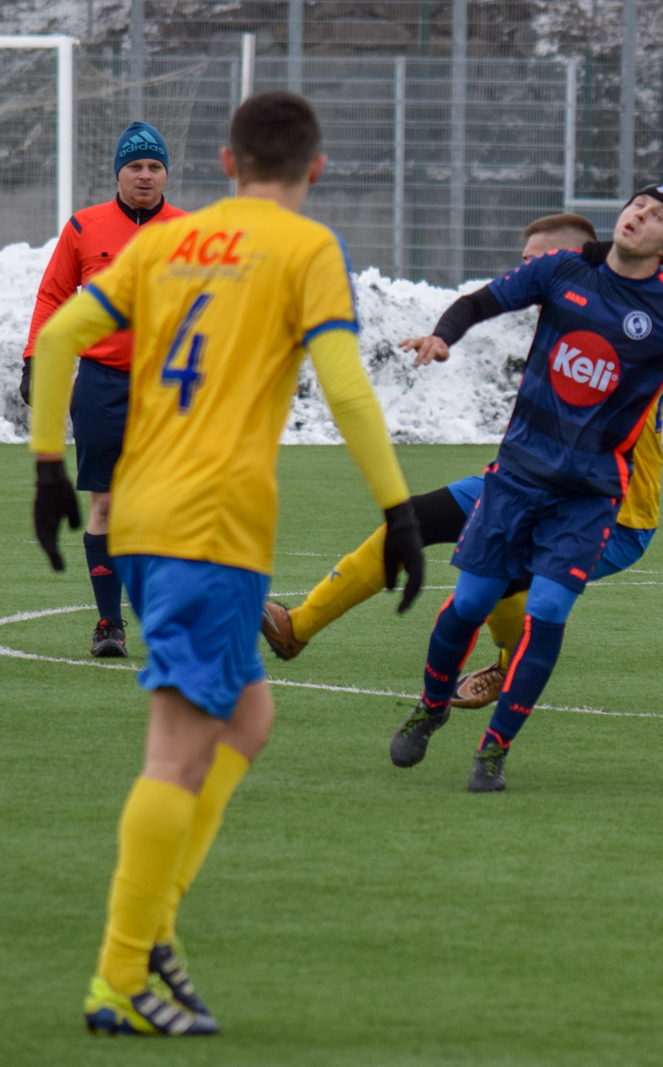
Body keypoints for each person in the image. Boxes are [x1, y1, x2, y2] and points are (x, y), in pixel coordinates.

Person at [29, 91, 423, 1036]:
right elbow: (345, 387)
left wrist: (48, 467)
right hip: (208, 526)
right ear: (315, 169)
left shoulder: (167, 241)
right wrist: (397, 507)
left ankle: (153, 932)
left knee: (247, 717)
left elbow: (60, 336)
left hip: (146, 513)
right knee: (176, 750)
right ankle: (120, 973)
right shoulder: (306, 248)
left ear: (224, 163)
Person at [260, 212, 663, 710]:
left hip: (614, 515)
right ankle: (297, 627)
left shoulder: (626, 325)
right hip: (529, 487)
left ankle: (507, 665)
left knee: (502, 570)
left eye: (534, 262)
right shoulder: (567, 315)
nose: (524, 274)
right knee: (415, 518)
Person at [388, 183, 663, 792]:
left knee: (547, 611)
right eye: (638, 204)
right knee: (472, 603)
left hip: (588, 497)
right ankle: (431, 708)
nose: (639, 214)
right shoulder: (562, 271)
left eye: (656, 215)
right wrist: (442, 335)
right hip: (515, 478)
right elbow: (479, 302)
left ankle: (493, 750)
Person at [21, 122, 187, 657]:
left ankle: (171, 619)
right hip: (102, 384)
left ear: (166, 174)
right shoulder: (84, 227)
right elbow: (52, 297)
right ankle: (109, 624)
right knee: (107, 505)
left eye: (155, 166)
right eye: (135, 166)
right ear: (118, 172)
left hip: (169, 386)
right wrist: (35, 359)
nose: (145, 175)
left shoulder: (192, 233)